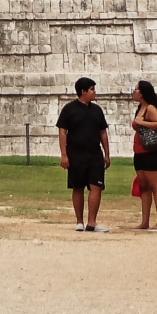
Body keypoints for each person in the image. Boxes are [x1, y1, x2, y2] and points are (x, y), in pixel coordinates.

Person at [56, 77, 111, 232]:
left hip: (94, 154)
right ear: (83, 91)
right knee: (78, 187)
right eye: (92, 89)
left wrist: (107, 154)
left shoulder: (97, 110)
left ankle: (92, 222)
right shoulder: (69, 109)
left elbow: (103, 133)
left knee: (96, 187)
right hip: (76, 154)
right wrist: (64, 155)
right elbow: (62, 132)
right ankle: (79, 221)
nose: (95, 92)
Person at [130, 80, 157, 231]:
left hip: (150, 152)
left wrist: (143, 123)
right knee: (144, 187)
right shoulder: (141, 108)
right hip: (139, 152)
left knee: (155, 187)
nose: (134, 92)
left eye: (137, 90)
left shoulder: (150, 108)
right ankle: (145, 221)